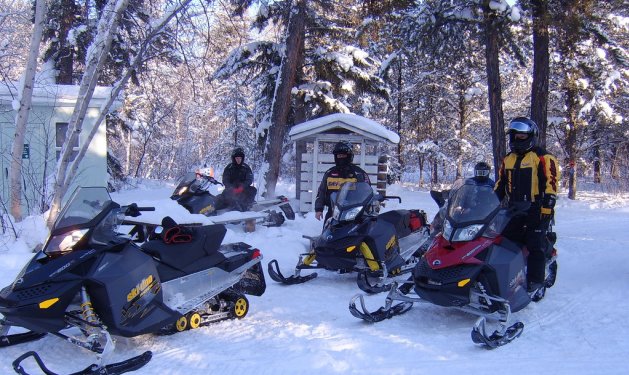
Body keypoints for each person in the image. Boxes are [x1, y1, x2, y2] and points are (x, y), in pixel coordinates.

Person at [494, 116, 560, 293]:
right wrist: (490, 203)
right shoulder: (508, 159)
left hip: (537, 208)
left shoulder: (543, 157)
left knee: (534, 243)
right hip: (514, 208)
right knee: (504, 241)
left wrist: (547, 206)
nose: (517, 139)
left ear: (531, 136)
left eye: (521, 136)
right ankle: (508, 278)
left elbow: (551, 183)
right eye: (514, 136)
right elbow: (500, 184)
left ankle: (535, 282)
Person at [314, 141, 371, 223]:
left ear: (349, 156)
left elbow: (367, 191)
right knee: (327, 233)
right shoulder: (329, 173)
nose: (341, 158)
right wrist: (318, 209)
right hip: (333, 212)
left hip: (353, 212)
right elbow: (321, 192)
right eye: (339, 155)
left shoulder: (359, 173)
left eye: (343, 155)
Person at [219, 147, 257, 211]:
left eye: (240, 158)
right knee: (226, 195)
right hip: (231, 190)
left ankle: (247, 206)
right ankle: (233, 207)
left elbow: (249, 179)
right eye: (237, 158)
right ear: (234, 158)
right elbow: (225, 180)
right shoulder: (229, 168)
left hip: (243, 189)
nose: (238, 160)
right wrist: (231, 188)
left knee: (253, 190)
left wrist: (242, 186)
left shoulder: (246, 168)